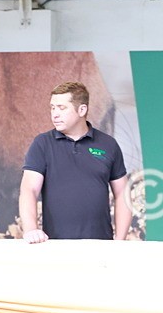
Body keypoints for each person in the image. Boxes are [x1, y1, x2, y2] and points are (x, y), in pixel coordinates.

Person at [19, 81, 130, 242]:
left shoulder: (108, 144)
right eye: (52, 107)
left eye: (61, 108)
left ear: (82, 110)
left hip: (101, 246)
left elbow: (122, 194)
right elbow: (29, 190)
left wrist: (119, 241)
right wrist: (31, 230)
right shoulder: (42, 144)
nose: (54, 114)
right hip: (55, 246)